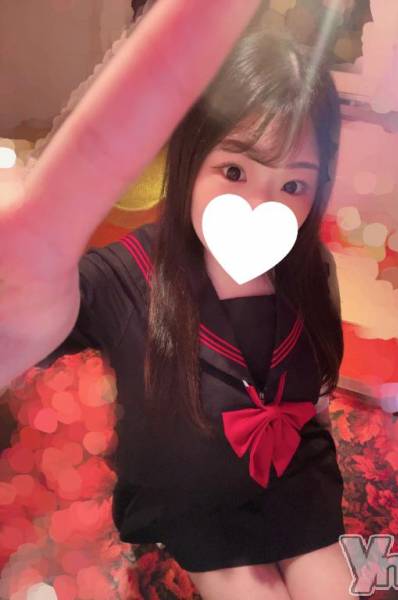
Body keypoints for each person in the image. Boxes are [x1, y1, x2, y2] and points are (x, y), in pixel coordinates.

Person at [1, 5, 354, 600]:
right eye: (234, 171)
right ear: (192, 159)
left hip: (294, 481)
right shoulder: (125, 278)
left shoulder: (310, 267)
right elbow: (33, 311)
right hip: (193, 502)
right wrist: (17, 302)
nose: (261, 207)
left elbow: (315, 398)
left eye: (293, 184)